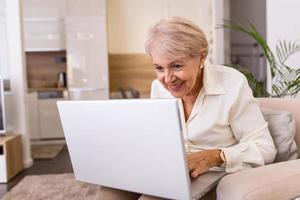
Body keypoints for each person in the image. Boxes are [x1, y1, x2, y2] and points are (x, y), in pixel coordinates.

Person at [97, 17, 277, 200]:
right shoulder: (158, 88)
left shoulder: (233, 84)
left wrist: (217, 155)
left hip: (214, 175)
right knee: (107, 193)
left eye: (176, 66)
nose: (167, 79)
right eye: (159, 68)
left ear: (202, 56)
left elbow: (265, 148)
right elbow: (157, 140)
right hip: (170, 171)